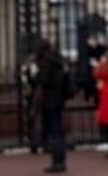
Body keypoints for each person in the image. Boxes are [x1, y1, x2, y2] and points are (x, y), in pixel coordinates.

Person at [34, 39, 69, 173]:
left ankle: (56, 162)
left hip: (49, 101)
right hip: (59, 100)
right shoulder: (59, 63)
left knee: (54, 132)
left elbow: (41, 84)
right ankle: (61, 160)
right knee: (58, 131)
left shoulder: (47, 65)